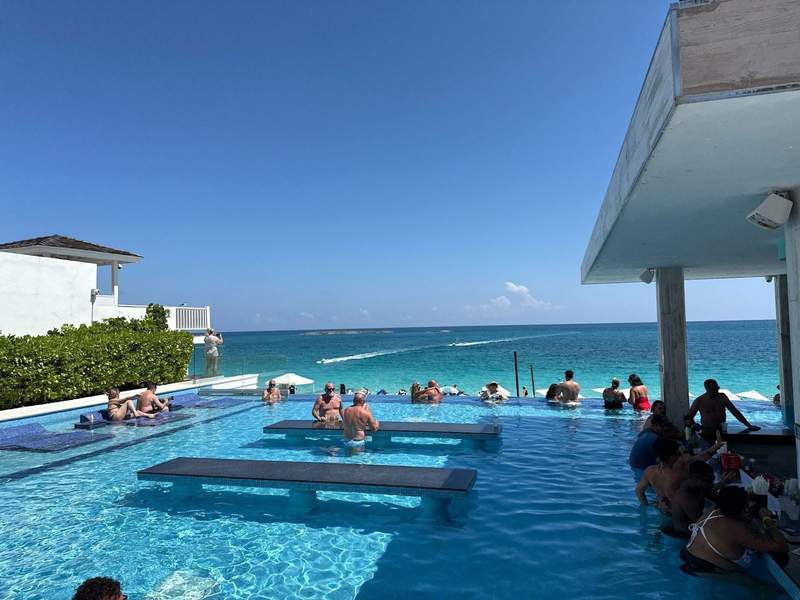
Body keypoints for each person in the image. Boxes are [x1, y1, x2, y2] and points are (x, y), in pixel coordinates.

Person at [683, 486, 787, 573]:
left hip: (688, 555)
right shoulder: (738, 530)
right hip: (708, 569)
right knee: (764, 589)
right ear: (743, 508)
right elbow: (781, 546)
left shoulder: (712, 511)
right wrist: (766, 519)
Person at [635, 437, 722, 511]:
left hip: (665, 512)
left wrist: (646, 507)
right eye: (678, 453)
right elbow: (702, 458)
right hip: (686, 513)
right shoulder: (681, 469)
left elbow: (639, 491)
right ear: (672, 457)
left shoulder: (650, 472)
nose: (681, 455)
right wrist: (716, 447)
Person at [687, 378, 759, 433]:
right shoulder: (700, 400)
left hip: (722, 429)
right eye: (713, 389)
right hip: (707, 430)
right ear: (707, 389)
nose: (716, 391)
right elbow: (689, 417)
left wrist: (749, 425)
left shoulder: (722, 397)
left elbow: (735, 412)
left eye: (717, 388)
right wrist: (694, 425)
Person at [669, 461, 716, 537]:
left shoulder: (698, 485)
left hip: (696, 525)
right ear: (695, 478)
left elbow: (715, 496)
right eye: (709, 481)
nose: (711, 484)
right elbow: (702, 524)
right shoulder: (686, 497)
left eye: (712, 479)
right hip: (685, 535)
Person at [629, 415, 674, 479]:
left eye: (667, 426)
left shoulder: (645, 434)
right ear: (655, 425)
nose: (666, 428)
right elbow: (666, 459)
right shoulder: (656, 439)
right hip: (644, 470)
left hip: (634, 467)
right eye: (663, 426)